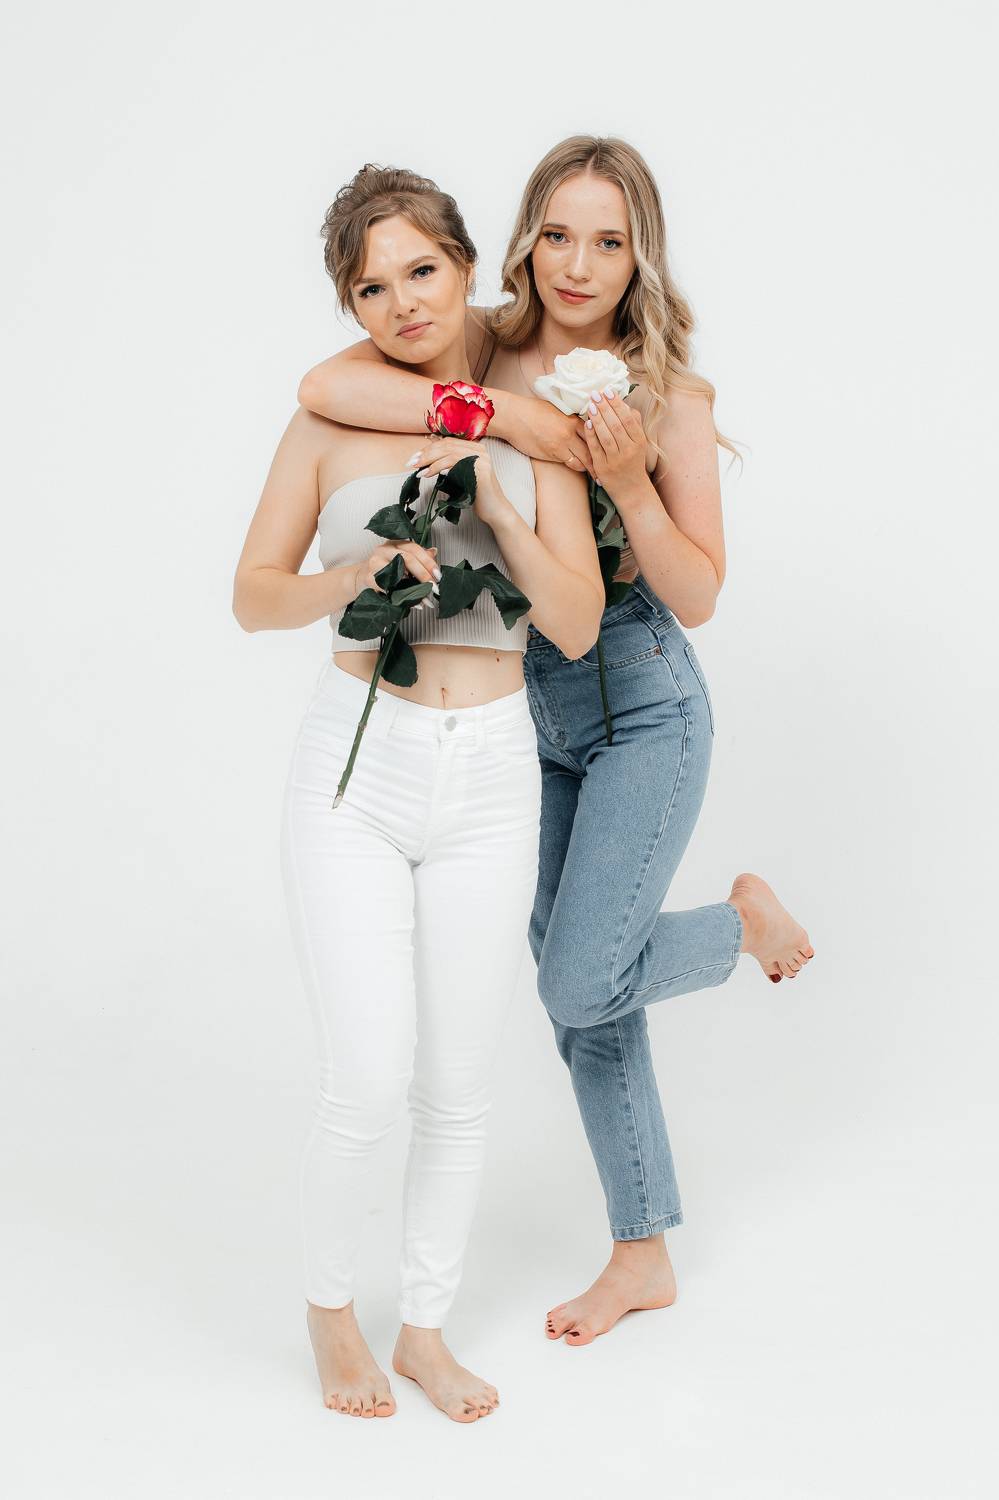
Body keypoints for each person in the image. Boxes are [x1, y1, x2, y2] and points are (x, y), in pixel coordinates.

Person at [295, 135, 815, 1349]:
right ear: (525, 242)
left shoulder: (671, 397)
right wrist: (509, 412)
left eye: (609, 241)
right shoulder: (476, 340)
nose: (579, 265)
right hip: (516, 703)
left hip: (641, 698)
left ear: (641, 258)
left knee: (580, 976)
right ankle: (643, 1253)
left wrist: (626, 480)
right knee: (583, 993)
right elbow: (328, 386)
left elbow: (699, 595)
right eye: (560, 235)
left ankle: (740, 929)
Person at [232, 163, 604, 1420]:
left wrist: (498, 497)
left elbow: (574, 624)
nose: (402, 301)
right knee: (369, 1074)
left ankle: (426, 1332)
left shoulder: (529, 425)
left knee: (458, 1085)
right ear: (353, 304)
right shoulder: (327, 422)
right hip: (359, 762)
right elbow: (252, 597)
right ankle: (331, 1309)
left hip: (491, 773)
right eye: (371, 287)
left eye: (423, 270)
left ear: (466, 266)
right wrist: (349, 582)